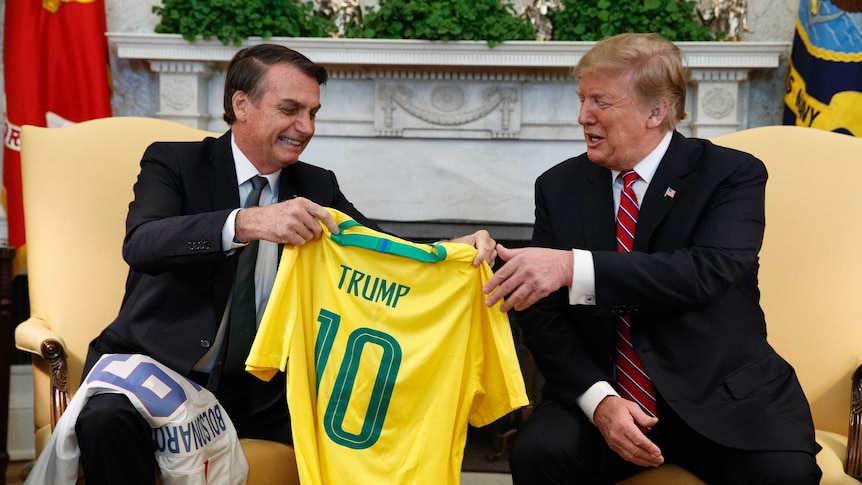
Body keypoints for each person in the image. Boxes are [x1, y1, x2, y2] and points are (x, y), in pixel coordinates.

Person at [73, 43, 497, 484]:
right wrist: (249, 222)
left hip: (263, 390)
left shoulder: (316, 183)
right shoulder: (176, 161)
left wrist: (453, 249)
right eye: (291, 109)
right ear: (242, 104)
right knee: (104, 422)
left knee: (368, 440)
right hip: (157, 369)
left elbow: (382, 251)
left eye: (313, 112)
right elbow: (143, 243)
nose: (305, 127)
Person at [483, 33, 821, 484]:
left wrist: (571, 267)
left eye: (600, 101)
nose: (583, 116)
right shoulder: (559, 186)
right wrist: (600, 401)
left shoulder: (731, 174)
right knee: (540, 454)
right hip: (607, 392)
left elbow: (704, 272)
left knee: (785, 474)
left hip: (720, 396)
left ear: (656, 111)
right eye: (582, 99)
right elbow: (544, 314)